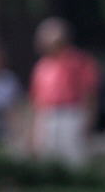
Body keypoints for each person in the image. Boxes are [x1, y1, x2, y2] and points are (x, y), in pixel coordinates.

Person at [30, 17, 99, 167]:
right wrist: (35, 130)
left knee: (74, 161)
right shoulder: (42, 66)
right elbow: (37, 101)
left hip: (72, 113)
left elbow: (90, 92)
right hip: (48, 116)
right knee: (48, 161)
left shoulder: (79, 60)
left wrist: (88, 120)